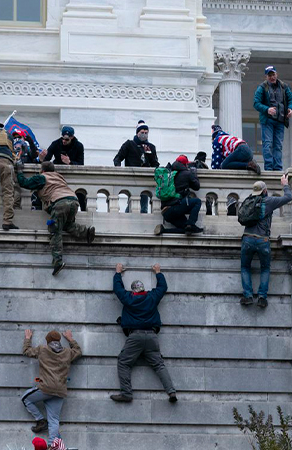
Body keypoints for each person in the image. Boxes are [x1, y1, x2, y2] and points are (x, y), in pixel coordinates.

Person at [110, 262, 177, 403]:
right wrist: (158, 272)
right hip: (152, 336)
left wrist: (118, 272)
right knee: (159, 365)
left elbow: (118, 289)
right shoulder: (152, 297)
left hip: (135, 336)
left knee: (123, 362)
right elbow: (163, 287)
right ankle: (171, 392)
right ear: (143, 289)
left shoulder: (129, 299)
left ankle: (126, 393)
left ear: (134, 291)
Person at [16, 161, 95, 275]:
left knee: (55, 230)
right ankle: (86, 232)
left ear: (42, 170)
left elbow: (25, 183)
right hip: (73, 201)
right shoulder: (59, 177)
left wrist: (19, 171)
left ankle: (57, 262)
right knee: (66, 225)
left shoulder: (42, 177)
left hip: (59, 203)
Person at [240, 175, 292, 308]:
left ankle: (248, 296)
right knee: (265, 268)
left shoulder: (248, 200)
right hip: (262, 239)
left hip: (247, 238)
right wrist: (285, 184)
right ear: (264, 191)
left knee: (245, 267)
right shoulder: (269, 201)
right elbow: (288, 198)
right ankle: (262, 297)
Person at [22, 329, 82, 445]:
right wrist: (70, 339)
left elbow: (26, 351)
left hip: (45, 388)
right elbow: (78, 352)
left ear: (47, 340)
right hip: (60, 391)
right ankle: (51, 446)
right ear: (59, 340)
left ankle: (40, 420)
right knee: (54, 420)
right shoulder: (67, 352)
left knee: (26, 399)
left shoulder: (42, 349)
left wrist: (28, 339)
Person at [253, 66, 292, 171]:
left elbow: (291, 99)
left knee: (278, 145)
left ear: (277, 74)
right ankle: (269, 168)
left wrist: (290, 109)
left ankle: (278, 168)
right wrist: (267, 109)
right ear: (266, 76)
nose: (272, 77)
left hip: (280, 120)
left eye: (273, 74)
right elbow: (256, 103)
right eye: (269, 75)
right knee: (268, 144)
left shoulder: (284, 86)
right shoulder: (262, 87)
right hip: (268, 121)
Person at [114, 120, 159, 213]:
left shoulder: (150, 147)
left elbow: (154, 163)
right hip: (132, 176)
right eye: (142, 133)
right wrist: (118, 168)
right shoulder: (129, 144)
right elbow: (118, 158)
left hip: (146, 178)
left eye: (146, 133)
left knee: (143, 204)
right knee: (133, 201)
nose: (144, 135)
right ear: (137, 133)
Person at [154, 155, 203, 235]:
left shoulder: (168, 174)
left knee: (186, 229)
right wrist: (193, 174)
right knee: (197, 202)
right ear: (185, 164)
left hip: (166, 212)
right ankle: (191, 223)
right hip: (176, 207)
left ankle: (163, 230)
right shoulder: (187, 173)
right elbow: (197, 187)